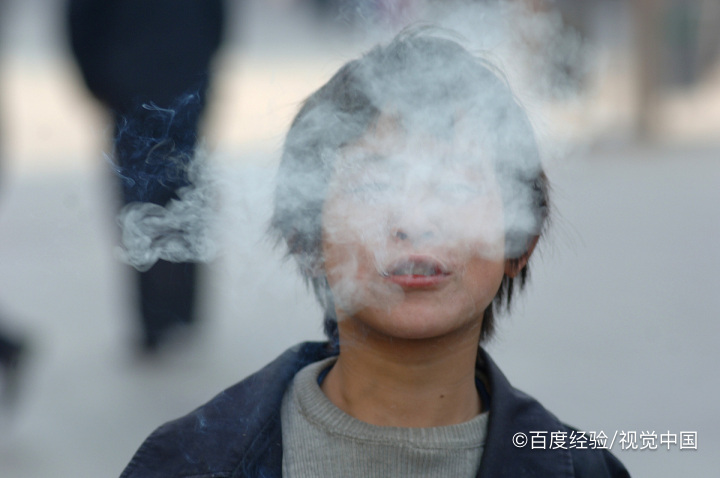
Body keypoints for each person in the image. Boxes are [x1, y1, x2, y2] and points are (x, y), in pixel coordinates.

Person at [119, 29, 630, 477]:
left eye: (454, 188)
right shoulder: (191, 462)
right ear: (306, 239)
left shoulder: (579, 470)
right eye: (374, 187)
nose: (414, 221)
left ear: (520, 241)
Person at [66, 0, 226, 353]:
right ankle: (175, 311)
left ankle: (160, 316)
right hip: (172, 77)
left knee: (148, 197)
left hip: (135, 83)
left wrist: (96, 80)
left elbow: (81, 23)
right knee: (177, 192)